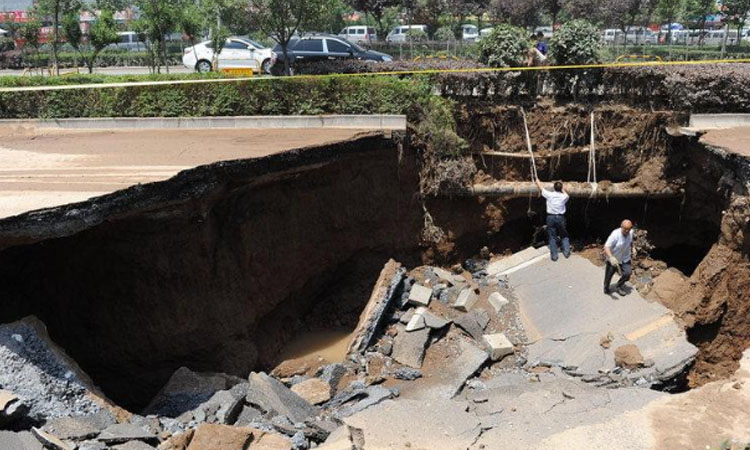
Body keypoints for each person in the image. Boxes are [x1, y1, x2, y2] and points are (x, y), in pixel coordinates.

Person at [536, 179, 570, 261]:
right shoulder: (564, 197)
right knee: (564, 235)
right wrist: (562, 187)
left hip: (550, 217)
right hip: (560, 217)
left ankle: (554, 256)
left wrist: (538, 181)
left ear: (554, 188)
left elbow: (541, 188)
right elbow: (566, 194)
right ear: (561, 188)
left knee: (552, 237)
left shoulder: (549, 194)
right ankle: (566, 252)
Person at [603, 220, 635, 296]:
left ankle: (619, 286)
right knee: (608, 276)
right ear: (621, 227)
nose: (627, 231)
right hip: (614, 258)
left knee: (627, 274)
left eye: (629, 229)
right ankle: (606, 287)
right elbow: (606, 247)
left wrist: (633, 248)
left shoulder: (631, 232)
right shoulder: (615, 235)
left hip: (625, 258)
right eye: (625, 229)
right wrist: (611, 257)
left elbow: (631, 241)